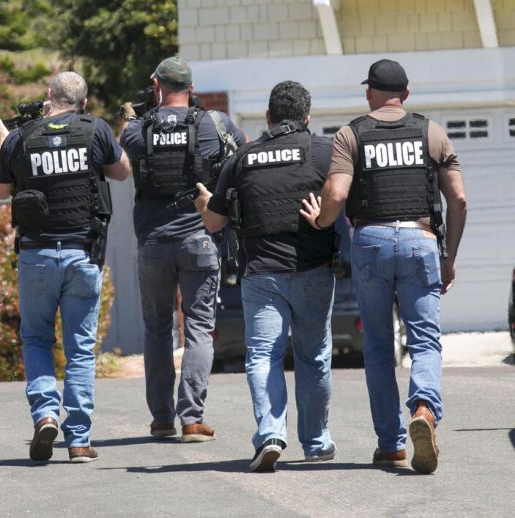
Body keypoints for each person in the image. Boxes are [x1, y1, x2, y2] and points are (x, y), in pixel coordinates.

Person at [299, 59, 467, 474]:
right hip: (420, 240)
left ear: (369, 93)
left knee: (376, 346)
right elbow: (459, 200)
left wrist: (320, 220)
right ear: (406, 94)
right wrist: (450, 257)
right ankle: (424, 409)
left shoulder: (349, 134)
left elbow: (336, 193)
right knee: (425, 340)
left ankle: (391, 444)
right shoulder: (431, 132)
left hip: (371, 242)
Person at [195, 81, 337, 472]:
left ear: (268, 117)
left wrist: (203, 201)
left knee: (263, 356)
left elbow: (214, 222)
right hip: (313, 270)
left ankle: (271, 433)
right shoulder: (324, 151)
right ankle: (317, 442)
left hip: (261, 274)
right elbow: (346, 200)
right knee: (314, 358)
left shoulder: (242, 158)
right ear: (307, 118)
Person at [0, 71, 131, 464]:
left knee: (36, 340)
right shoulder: (95, 130)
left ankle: (46, 414)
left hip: (35, 255)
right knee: (80, 349)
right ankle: (80, 441)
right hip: (82, 254)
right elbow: (122, 171)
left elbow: (0, 189)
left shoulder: (21, 137)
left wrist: (2, 147)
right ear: (83, 103)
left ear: (48, 95)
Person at [119, 56, 246, 442]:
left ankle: (161, 419)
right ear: (191, 89)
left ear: (157, 86)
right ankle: (192, 418)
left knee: (157, 329)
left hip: (153, 242)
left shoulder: (138, 129)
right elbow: (240, 153)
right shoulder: (214, 124)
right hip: (199, 238)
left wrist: (132, 116)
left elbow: (126, 146)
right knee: (199, 329)